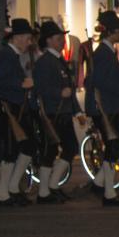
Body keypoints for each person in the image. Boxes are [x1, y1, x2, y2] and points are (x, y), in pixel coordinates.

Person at [82, 11, 119, 206]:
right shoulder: (103, 53)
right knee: (113, 147)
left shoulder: (106, 51)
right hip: (105, 108)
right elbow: (99, 81)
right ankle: (109, 194)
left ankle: (99, 184)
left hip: (110, 107)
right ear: (111, 32)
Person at [0, 17, 35, 208]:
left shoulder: (11, 55)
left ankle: (10, 190)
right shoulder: (7, 55)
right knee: (13, 151)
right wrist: (21, 84)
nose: (30, 42)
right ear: (17, 38)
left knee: (24, 147)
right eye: (27, 38)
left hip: (14, 110)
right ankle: (3, 194)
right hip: (8, 110)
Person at [30, 21, 75, 202]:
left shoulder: (57, 60)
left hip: (61, 111)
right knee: (51, 151)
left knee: (68, 148)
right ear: (48, 41)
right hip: (51, 113)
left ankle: (52, 186)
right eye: (58, 38)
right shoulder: (45, 62)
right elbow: (40, 88)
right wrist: (59, 93)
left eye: (62, 38)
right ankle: (44, 191)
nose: (62, 41)